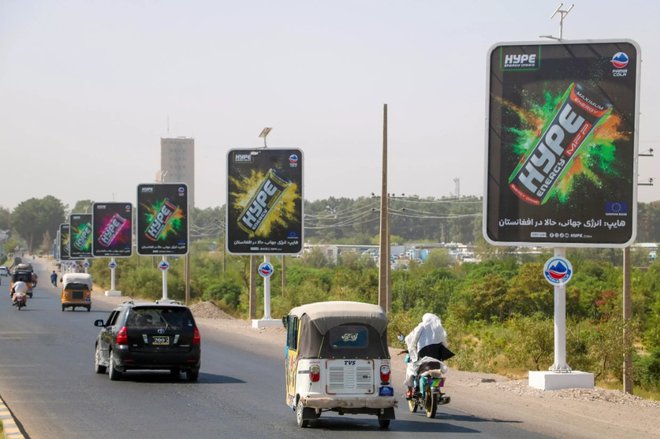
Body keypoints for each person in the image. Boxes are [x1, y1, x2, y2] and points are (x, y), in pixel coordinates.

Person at [403, 313, 448, 399]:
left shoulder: (421, 327)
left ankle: (410, 391)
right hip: (436, 359)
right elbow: (445, 344)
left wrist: (412, 350)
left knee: (410, 369)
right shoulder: (440, 329)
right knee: (438, 373)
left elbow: (412, 340)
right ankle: (438, 390)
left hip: (423, 358)